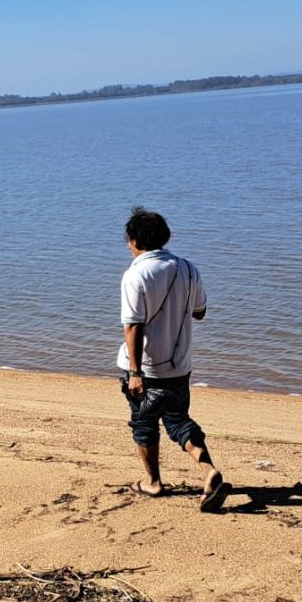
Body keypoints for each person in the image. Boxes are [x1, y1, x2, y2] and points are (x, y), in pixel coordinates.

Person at [117, 207, 231, 512]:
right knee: (178, 421)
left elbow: (133, 325)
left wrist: (135, 371)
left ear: (135, 241)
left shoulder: (135, 274)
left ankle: (153, 482)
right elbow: (201, 312)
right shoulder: (189, 269)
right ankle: (209, 471)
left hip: (148, 366)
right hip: (180, 365)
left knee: (143, 424)